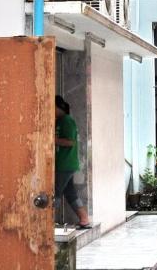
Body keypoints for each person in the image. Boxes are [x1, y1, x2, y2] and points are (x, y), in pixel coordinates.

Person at [55, 95, 91, 229]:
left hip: (65, 164)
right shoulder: (59, 121)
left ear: (57, 107)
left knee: (55, 192)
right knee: (70, 193)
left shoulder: (67, 121)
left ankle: (47, 223)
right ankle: (84, 219)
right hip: (64, 164)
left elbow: (70, 142)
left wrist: (52, 140)